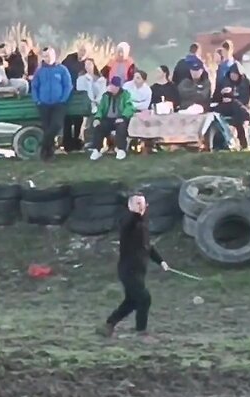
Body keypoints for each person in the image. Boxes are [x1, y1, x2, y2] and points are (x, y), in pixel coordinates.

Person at [101, 194, 169, 340]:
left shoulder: (143, 225)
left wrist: (161, 262)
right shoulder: (127, 221)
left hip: (138, 271)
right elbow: (131, 220)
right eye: (137, 203)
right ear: (130, 206)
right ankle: (141, 332)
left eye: (142, 203)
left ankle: (109, 324)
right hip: (128, 270)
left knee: (132, 301)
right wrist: (136, 214)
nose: (141, 206)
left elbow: (147, 247)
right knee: (144, 298)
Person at [30, 47, 72, 161]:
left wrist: (63, 99)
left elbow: (68, 85)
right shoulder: (39, 71)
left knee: (56, 125)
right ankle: (48, 154)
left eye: (48, 56)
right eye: (44, 56)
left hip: (59, 104)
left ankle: (42, 145)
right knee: (47, 127)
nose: (47, 58)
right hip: (43, 104)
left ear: (54, 55)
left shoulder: (62, 69)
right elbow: (34, 86)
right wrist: (37, 100)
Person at [88, 77, 134, 160]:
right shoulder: (105, 95)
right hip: (108, 119)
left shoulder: (125, 95)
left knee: (121, 127)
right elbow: (101, 108)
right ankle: (97, 150)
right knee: (99, 126)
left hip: (120, 118)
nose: (111, 87)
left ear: (118, 87)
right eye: (110, 85)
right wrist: (97, 118)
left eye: (113, 86)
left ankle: (121, 149)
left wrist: (123, 117)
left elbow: (129, 107)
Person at [213, 64, 250, 150]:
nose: (233, 76)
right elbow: (215, 98)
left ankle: (242, 143)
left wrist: (232, 98)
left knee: (238, 115)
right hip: (225, 107)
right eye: (232, 73)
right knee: (238, 111)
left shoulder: (245, 83)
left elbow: (245, 99)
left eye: (235, 74)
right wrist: (221, 94)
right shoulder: (224, 81)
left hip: (239, 108)